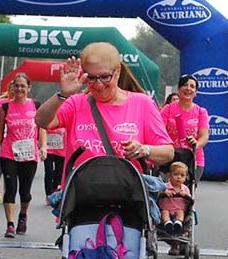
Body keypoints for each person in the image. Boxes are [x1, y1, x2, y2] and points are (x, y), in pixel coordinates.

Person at [35, 42, 174, 172]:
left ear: (118, 72)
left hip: (127, 194)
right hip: (81, 194)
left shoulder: (142, 103)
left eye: (105, 77)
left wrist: (144, 150)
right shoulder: (76, 103)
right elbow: (42, 121)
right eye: (91, 78)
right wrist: (62, 94)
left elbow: (168, 152)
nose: (99, 84)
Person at [0, 73, 46, 238]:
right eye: (17, 85)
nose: (20, 89)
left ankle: (23, 216)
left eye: (23, 86)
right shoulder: (5, 107)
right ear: (13, 88)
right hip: (9, 153)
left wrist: (43, 146)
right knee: (10, 189)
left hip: (29, 155)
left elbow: (42, 127)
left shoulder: (36, 105)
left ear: (29, 88)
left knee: (25, 192)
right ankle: (10, 224)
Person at [161, 74, 210, 181]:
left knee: (186, 193)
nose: (188, 88)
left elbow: (204, 136)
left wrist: (196, 143)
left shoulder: (201, 112)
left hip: (193, 159)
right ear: (178, 89)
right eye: (185, 85)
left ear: (196, 92)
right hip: (169, 157)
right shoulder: (168, 109)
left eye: (192, 86)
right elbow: (159, 131)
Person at [159, 161, 191, 235]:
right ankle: (167, 223)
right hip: (166, 208)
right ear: (170, 175)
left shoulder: (185, 189)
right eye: (176, 174)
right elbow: (158, 195)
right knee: (164, 213)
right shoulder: (165, 186)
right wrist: (165, 192)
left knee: (180, 212)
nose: (179, 177)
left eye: (182, 175)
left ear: (185, 178)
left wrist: (185, 195)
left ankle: (178, 223)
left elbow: (190, 199)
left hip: (179, 209)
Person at [43, 123, 66, 203]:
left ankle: (54, 190)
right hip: (48, 150)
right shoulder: (48, 117)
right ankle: (48, 194)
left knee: (59, 172)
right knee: (49, 171)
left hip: (61, 150)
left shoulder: (63, 117)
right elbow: (42, 130)